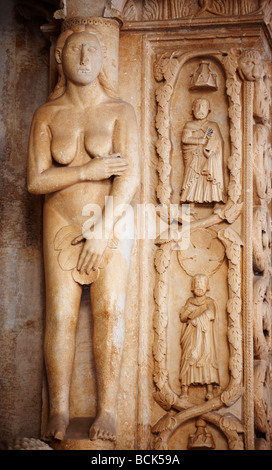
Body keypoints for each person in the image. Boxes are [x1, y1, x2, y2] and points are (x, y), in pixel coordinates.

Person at [27, 23, 139, 442]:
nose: (85, 57)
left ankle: (107, 408)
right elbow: (35, 181)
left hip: (110, 220)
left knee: (110, 311)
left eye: (92, 50)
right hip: (60, 219)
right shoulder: (47, 114)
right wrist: (86, 170)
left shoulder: (119, 110)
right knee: (60, 315)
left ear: (104, 59)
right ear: (60, 58)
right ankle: (58, 409)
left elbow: (129, 178)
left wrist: (103, 230)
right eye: (76, 49)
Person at [179, 274, 220, 400]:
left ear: (207, 286)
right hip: (191, 335)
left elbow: (210, 314)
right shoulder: (189, 302)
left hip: (204, 336)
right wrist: (187, 312)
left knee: (206, 360)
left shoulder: (209, 302)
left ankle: (209, 390)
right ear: (192, 286)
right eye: (196, 283)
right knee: (188, 357)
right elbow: (183, 318)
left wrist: (197, 319)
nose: (199, 286)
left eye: (202, 283)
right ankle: (185, 390)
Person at [180, 98, 225, 204]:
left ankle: (216, 203)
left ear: (208, 110)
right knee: (193, 177)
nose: (200, 109)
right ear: (193, 109)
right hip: (194, 157)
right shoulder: (189, 125)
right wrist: (200, 141)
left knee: (209, 176)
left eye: (204, 107)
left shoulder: (213, 126)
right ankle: (190, 203)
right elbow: (185, 139)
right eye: (198, 106)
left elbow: (218, 142)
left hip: (208, 156)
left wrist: (210, 148)